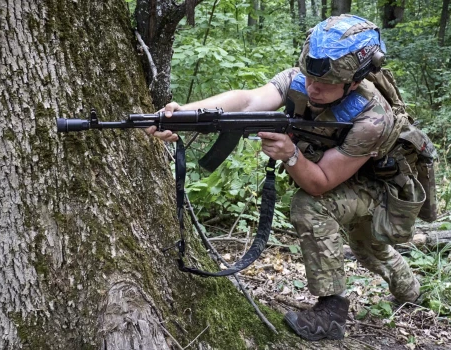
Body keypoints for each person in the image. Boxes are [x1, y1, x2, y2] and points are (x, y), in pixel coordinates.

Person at [147, 14, 424, 341]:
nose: (312, 88)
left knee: (311, 207)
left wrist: (290, 154)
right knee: (369, 249)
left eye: (324, 85)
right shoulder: (302, 80)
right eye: (309, 77)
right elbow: (248, 100)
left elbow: (319, 183)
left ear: (353, 81)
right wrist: (185, 115)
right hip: (337, 171)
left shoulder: (372, 117)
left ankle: (332, 311)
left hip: (376, 183)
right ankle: (412, 294)